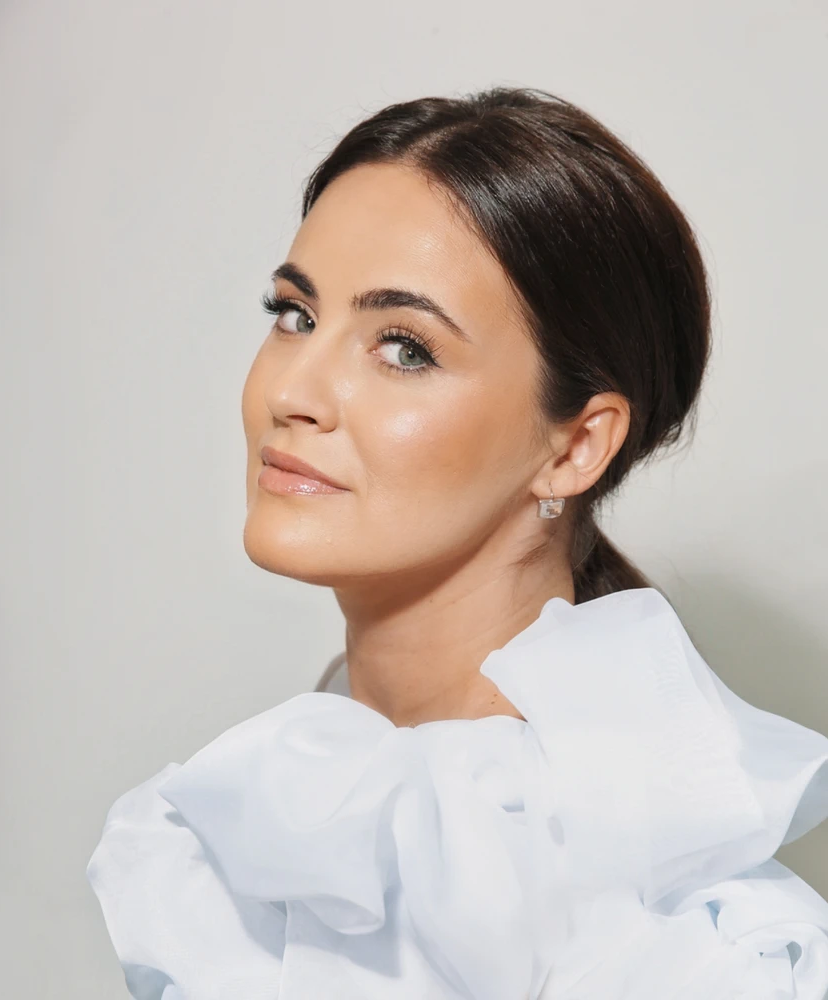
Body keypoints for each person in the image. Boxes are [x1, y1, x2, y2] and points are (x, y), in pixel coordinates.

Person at [85, 86, 828, 999]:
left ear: (575, 446)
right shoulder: (284, 802)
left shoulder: (690, 940)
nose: (292, 392)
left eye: (404, 348)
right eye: (295, 314)